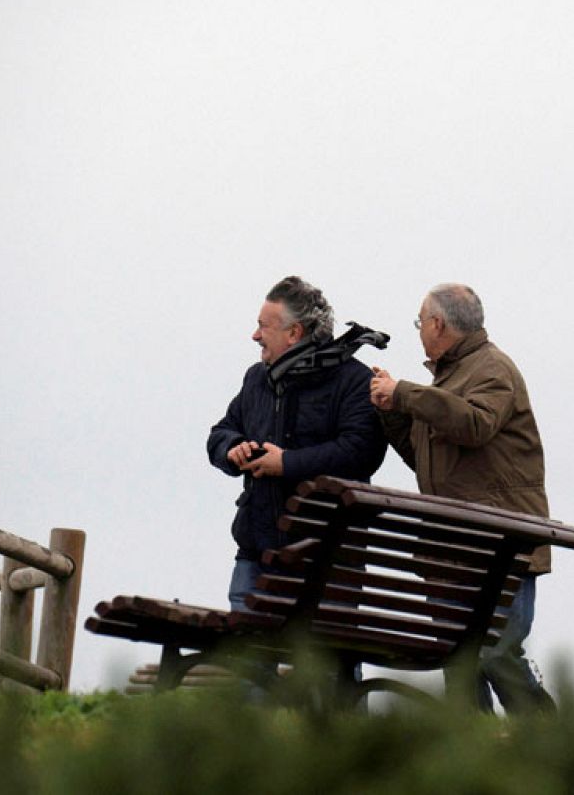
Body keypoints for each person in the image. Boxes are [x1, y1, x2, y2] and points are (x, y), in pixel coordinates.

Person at [369, 283, 556, 714]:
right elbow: (427, 458)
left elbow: (475, 425)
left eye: (420, 322)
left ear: (437, 324)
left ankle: (553, 742)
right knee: (461, 664)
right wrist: (390, 410)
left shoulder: (492, 369)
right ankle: (473, 755)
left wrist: (406, 394)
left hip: (500, 545)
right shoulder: (449, 378)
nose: (419, 331)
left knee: (496, 654)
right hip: (453, 547)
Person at [208, 276, 388, 612]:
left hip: (329, 558)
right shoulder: (257, 378)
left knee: (327, 665)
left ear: (295, 333)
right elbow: (222, 431)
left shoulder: (354, 381)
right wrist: (232, 450)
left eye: (264, 327)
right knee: (247, 662)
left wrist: (286, 463)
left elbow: (361, 451)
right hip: (256, 551)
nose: (255, 335)